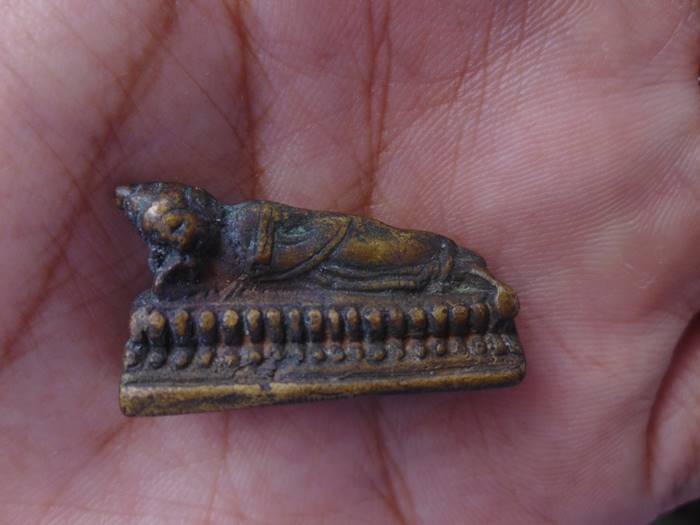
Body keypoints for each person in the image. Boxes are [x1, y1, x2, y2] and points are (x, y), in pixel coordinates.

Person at [0, 1, 698, 523]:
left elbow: (298, 247)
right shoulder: (198, 268)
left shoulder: (244, 226)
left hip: (333, 246)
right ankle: (458, 277)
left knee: (410, 258)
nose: (180, 238)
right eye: (170, 235)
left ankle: (457, 270)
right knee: (402, 280)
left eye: (180, 223)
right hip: (315, 276)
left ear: (198, 207)